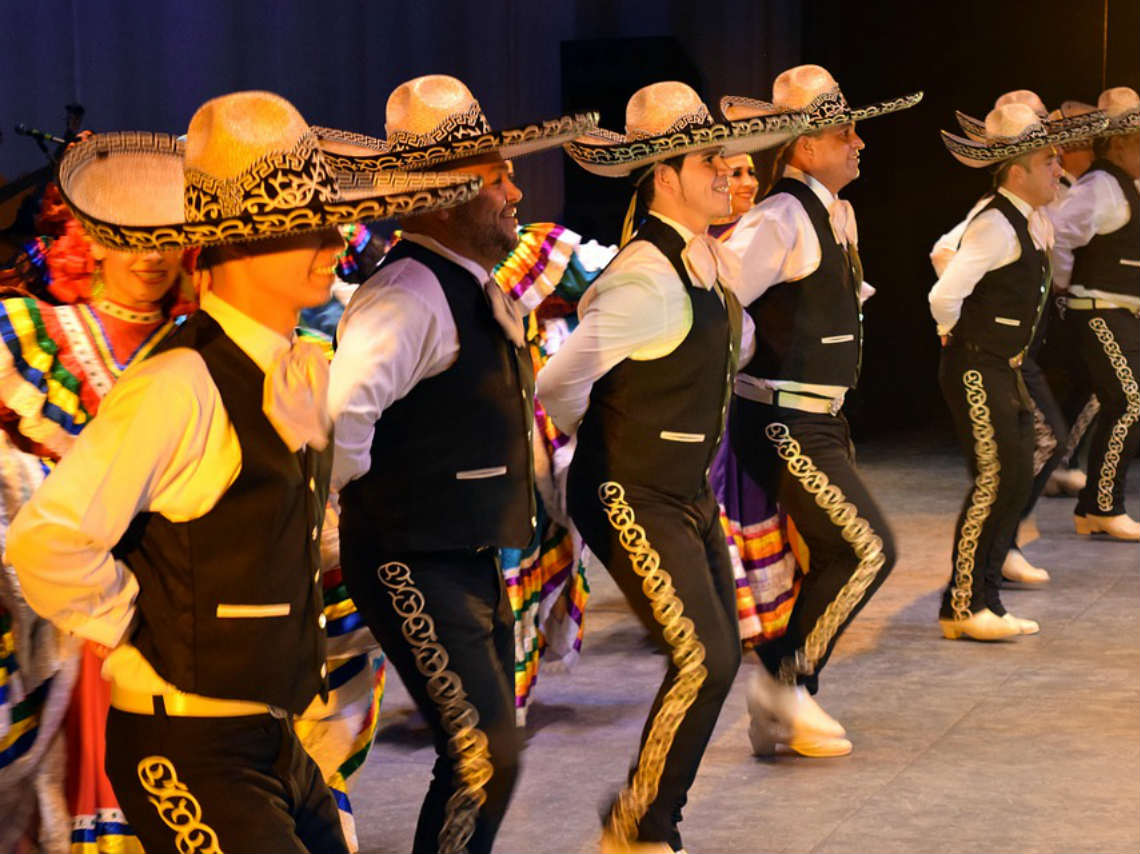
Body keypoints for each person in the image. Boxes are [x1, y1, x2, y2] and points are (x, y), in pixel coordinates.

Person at [5, 89, 478, 853]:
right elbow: (45, 541)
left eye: (331, 221)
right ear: (238, 245)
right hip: (187, 750)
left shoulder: (297, 370)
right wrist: (136, 625)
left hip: (271, 738)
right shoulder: (178, 385)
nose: (335, 242)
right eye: (306, 227)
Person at [324, 74, 596, 854]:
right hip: (411, 557)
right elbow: (343, 415)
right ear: (444, 199)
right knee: (485, 759)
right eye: (497, 177)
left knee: (487, 756)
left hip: (456, 553)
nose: (516, 191)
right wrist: (369, 504)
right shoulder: (409, 292)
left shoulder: (463, 284)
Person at [543, 80, 797, 851]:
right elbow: (557, 383)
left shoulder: (710, 259)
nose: (729, 173)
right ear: (664, 174)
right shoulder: (643, 276)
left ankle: (648, 819)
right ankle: (640, 824)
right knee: (704, 656)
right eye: (709, 161)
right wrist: (606, 443)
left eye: (728, 159)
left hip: (681, 490)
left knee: (718, 660)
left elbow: (732, 345)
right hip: (627, 488)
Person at [718, 64, 920, 757]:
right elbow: (718, 298)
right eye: (844, 131)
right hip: (781, 420)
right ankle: (783, 683)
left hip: (816, 417)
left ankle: (783, 699)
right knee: (866, 548)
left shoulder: (836, 212)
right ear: (803, 146)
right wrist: (740, 361)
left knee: (839, 551)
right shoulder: (779, 217)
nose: (859, 142)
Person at [0, 212, 191, 853]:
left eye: (166, 240)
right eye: (130, 238)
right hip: (69, 612)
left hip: (181, 602)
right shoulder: (38, 336)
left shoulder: (198, 346)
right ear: (91, 246)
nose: (151, 257)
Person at [931, 102, 1106, 640]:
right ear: (1017, 170)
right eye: (1049, 161)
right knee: (994, 482)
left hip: (1004, 368)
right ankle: (962, 607)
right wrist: (955, 335)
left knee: (1015, 478)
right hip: (978, 368)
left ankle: (985, 598)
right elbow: (944, 290)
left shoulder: (1028, 219)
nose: (1059, 169)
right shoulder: (995, 223)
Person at [1050, 86, 1140, 541]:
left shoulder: (1126, 185)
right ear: (1120, 143)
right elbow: (1060, 235)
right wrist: (1063, 283)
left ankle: (1096, 507)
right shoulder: (1100, 185)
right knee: (1128, 401)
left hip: (1122, 310)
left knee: (1120, 403)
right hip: (1099, 310)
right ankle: (1103, 505)